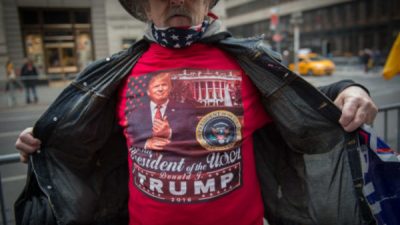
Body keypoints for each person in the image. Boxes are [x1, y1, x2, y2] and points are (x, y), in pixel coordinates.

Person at [14, 0, 380, 225]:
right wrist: (42, 137)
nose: (177, 0)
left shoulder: (251, 62)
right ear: (145, 5)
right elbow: (78, 130)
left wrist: (351, 89)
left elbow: (308, 98)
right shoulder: (117, 72)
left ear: (208, 1)